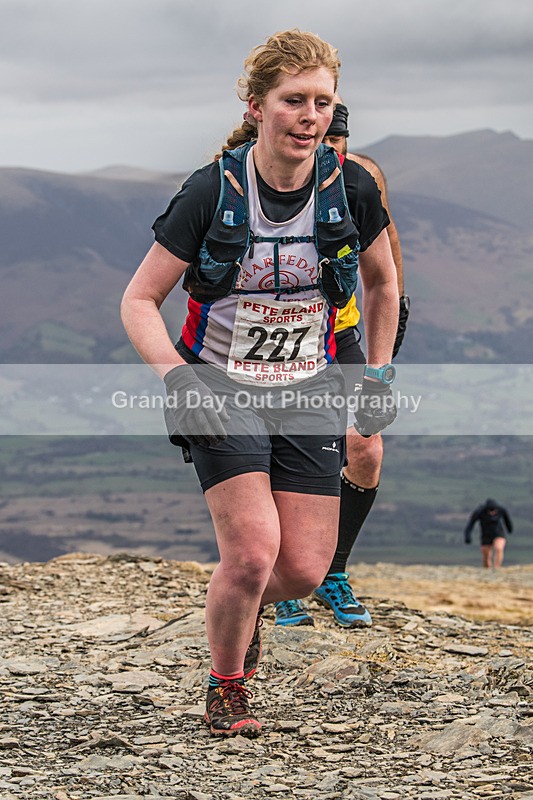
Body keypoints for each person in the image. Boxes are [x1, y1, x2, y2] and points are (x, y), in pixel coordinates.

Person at [121, 29, 398, 738]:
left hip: (310, 387)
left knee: (300, 572)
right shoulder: (211, 189)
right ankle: (226, 686)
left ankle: (234, 608)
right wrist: (178, 378)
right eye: (292, 101)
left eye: (321, 102)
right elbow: (138, 299)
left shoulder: (351, 186)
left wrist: (374, 372)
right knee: (248, 555)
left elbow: (382, 283)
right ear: (255, 107)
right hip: (221, 385)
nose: (309, 115)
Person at [275, 101, 408, 629]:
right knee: (284, 457)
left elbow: (386, 257)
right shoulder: (267, 176)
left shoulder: (360, 181)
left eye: (335, 140)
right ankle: (285, 580)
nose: (326, 152)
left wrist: (391, 330)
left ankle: (332, 570)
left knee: (366, 448)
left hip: (341, 334)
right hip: (283, 344)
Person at [464, 498, 513, 568]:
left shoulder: (501, 510)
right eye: (490, 511)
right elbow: (470, 524)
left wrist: (510, 529)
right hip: (486, 535)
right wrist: (467, 536)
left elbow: (507, 520)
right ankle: (487, 570)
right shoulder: (479, 512)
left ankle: (497, 568)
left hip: (498, 533)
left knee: (499, 548)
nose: (492, 513)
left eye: (494, 511)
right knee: (486, 555)